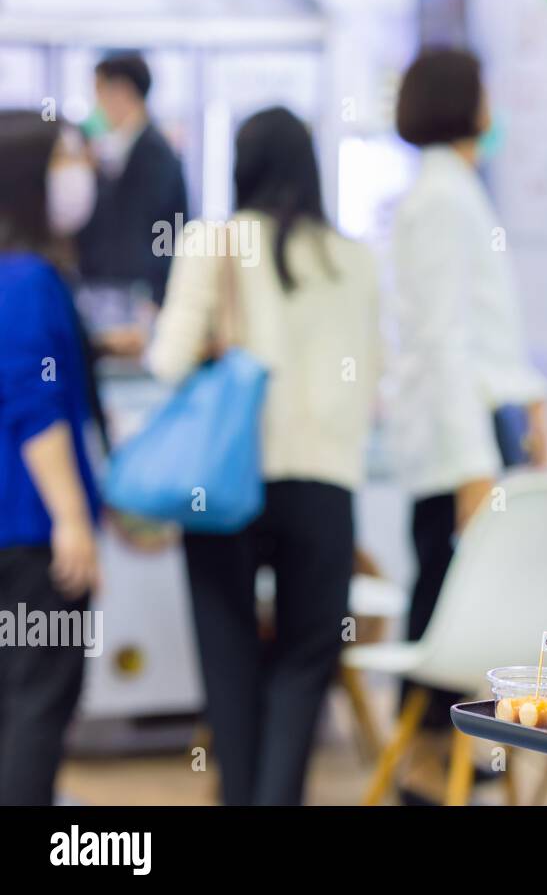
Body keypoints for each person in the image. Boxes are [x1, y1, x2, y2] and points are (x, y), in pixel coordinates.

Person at [146, 107, 380, 805]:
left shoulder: (210, 242)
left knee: (229, 660)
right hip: (325, 486)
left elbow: (167, 362)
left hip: (225, 484)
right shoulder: (355, 258)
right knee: (307, 663)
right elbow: (373, 373)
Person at [388, 47, 547, 798]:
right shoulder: (443, 199)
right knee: (449, 599)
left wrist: (530, 398)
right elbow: (446, 343)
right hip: (464, 438)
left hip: (479, 427)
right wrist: (472, 465)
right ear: (464, 100)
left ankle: (446, 758)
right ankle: (428, 762)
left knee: (457, 593)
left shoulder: (451, 190)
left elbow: (482, 335)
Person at [0, 110, 102, 804]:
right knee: (38, 707)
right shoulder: (29, 279)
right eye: (68, 159)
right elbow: (34, 406)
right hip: (33, 536)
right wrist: (72, 516)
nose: (82, 173)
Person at [76, 51, 189, 308]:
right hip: (114, 288)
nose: (96, 105)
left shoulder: (154, 154)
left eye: (99, 92)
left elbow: (154, 233)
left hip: (135, 293)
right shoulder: (115, 149)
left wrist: (155, 297)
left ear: (123, 93)